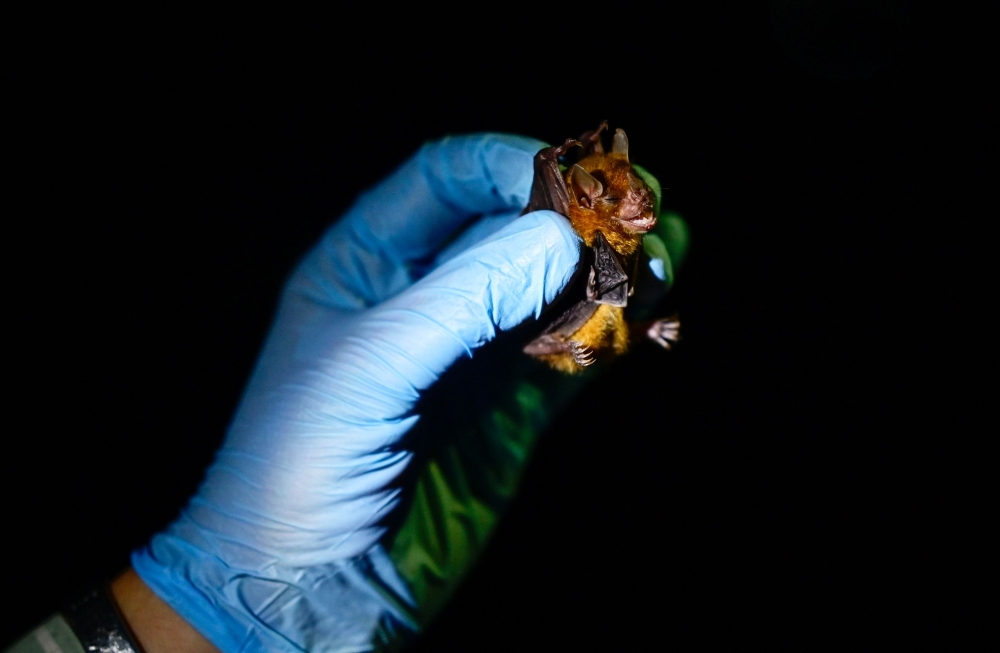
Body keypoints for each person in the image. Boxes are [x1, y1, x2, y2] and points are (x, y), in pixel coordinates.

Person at [6, 133, 684, 653]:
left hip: (565, 308)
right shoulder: (571, 199)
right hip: (555, 270)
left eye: (638, 209)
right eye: (626, 200)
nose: (637, 212)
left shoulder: (615, 242)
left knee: (600, 318)